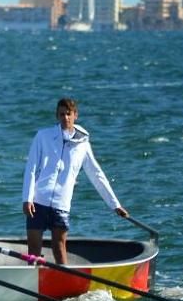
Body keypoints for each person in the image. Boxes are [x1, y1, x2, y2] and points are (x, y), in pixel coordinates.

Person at [22, 98, 129, 264]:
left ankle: (64, 282)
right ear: (57, 116)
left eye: (68, 114)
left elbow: (96, 175)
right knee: (33, 250)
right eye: (61, 114)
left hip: (61, 204)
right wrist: (27, 198)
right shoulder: (43, 136)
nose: (65, 118)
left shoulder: (82, 144)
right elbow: (31, 168)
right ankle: (31, 281)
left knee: (59, 247)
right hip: (38, 201)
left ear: (75, 115)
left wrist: (115, 205)